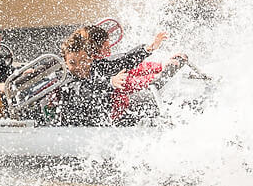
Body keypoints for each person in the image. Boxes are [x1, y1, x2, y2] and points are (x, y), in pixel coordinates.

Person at [48, 26, 185, 126]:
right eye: (72, 63)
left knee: (123, 70)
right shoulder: (66, 79)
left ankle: (159, 69)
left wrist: (148, 49)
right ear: (65, 62)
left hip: (107, 110)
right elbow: (84, 89)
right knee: (122, 82)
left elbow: (122, 60)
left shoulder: (95, 66)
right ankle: (152, 80)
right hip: (85, 121)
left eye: (83, 61)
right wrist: (110, 83)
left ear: (90, 58)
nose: (79, 66)